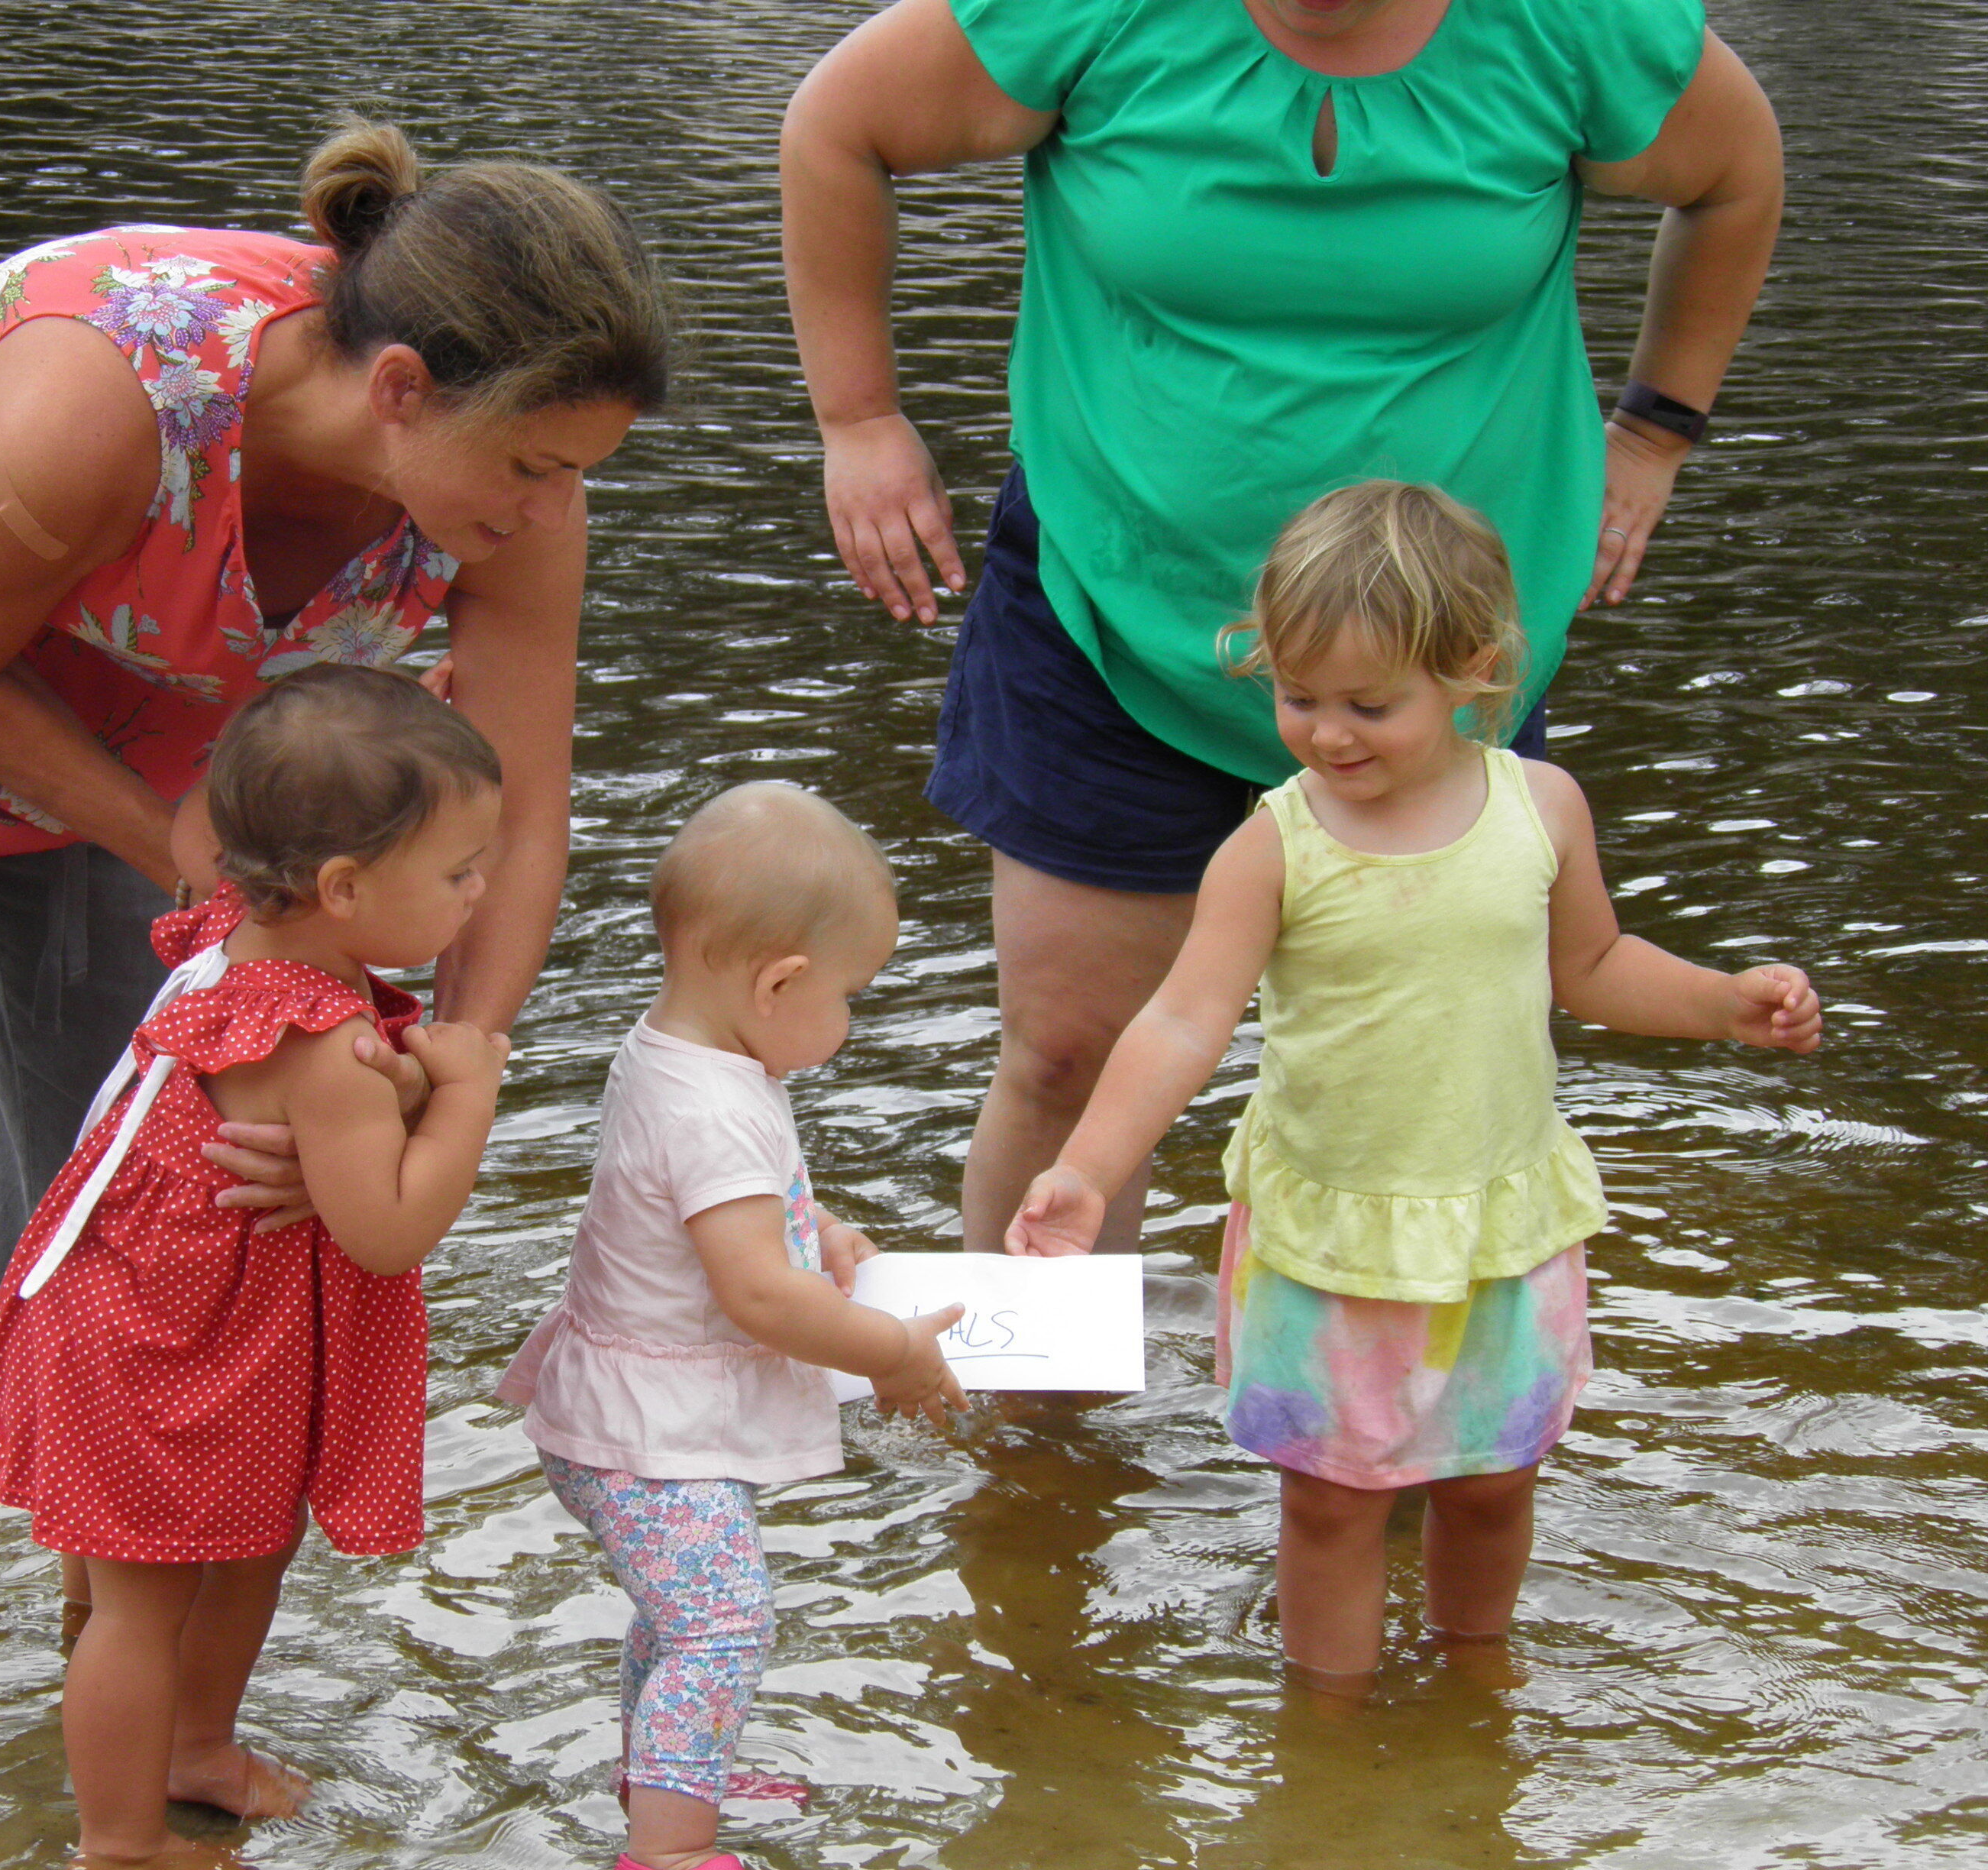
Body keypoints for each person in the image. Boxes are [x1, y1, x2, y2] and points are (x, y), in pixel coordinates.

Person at [0, 116, 672, 1842]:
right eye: (536, 467)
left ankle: (130, 1705)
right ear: (403, 394)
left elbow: (513, 818)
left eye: (578, 472)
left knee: (176, 1217)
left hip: (159, 776)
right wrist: (188, 864)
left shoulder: (505, 495)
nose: (550, 509)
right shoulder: (106, 397)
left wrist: (456, 1052)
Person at [782, 0, 1786, 1255]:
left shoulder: (1567, 24)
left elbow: (1737, 173)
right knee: (1069, 1061)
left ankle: (1400, 1417)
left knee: (1434, 1077)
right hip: (1116, 620)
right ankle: (1042, 1446)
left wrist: (1653, 432)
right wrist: (859, 418)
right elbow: (839, 123)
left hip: (1437, 665)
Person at [1004, 484, 1822, 1685]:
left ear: (1473, 672)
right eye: (1299, 697)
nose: (1328, 733)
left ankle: (1472, 1681)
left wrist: (1723, 1003)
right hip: (1330, 1229)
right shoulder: (1275, 846)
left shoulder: (1539, 809)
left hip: (1498, 1218)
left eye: (1368, 705)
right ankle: (1329, 1736)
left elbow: (1591, 967)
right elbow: (1181, 1021)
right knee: (1331, 1508)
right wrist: (1085, 1171)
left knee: (1494, 1485)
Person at [0, 666, 512, 1864]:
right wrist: (466, 1094)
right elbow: (387, 1231)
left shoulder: (242, 937)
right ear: (343, 886)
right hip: (155, 1349)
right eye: (460, 872)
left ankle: (196, 1749)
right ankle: (118, 1842)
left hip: (190, 1325)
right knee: (139, 1605)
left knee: (255, 1542)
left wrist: (415, 1079)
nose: (481, 893)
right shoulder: (318, 1046)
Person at [498, 783, 967, 1870]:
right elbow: (757, 1295)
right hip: (651, 1437)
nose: (849, 1025)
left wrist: (828, 1231)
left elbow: (727, 1209)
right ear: (780, 983)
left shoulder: (687, 1053)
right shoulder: (712, 1105)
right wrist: (894, 1351)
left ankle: (676, 1773)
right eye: (853, 997)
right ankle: (667, 1850)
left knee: (682, 1622)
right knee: (724, 1627)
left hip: (630, 1410)